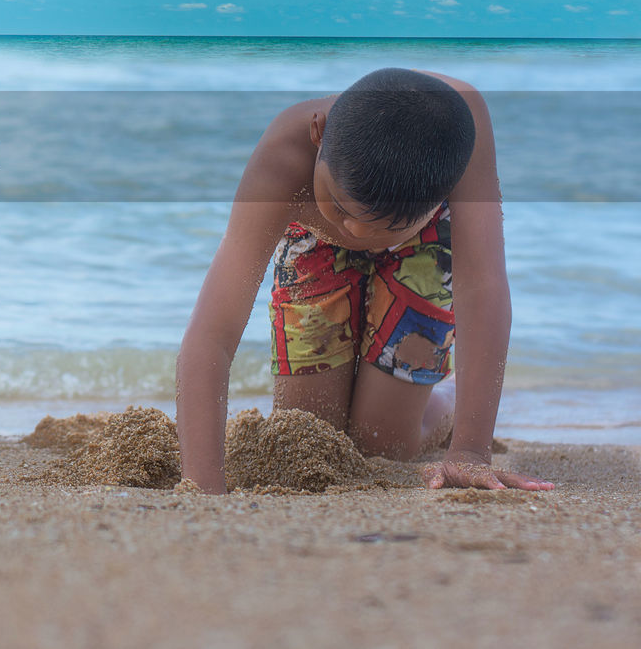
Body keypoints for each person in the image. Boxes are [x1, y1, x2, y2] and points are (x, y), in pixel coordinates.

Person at [176, 67, 554, 493]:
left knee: (385, 444)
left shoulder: (464, 128)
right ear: (319, 134)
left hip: (423, 241)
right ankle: (362, 220)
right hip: (311, 234)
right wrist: (202, 488)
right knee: (309, 433)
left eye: (375, 228)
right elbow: (213, 332)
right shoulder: (286, 155)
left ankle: (444, 399)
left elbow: (481, 284)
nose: (356, 233)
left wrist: (470, 450)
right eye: (340, 207)